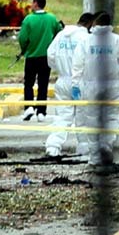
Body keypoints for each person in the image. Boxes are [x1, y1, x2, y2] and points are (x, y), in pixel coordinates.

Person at [70, 11, 119, 166]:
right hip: (113, 86)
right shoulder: (118, 40)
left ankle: (94, 156)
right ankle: (106, 146)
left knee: (91, 119)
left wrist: (75, 84)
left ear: (95, 23)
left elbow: (77, 63)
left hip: (91, 86)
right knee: (112, 117)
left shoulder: (86, 41)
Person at [45, 12, 93, 157]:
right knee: (82, 117)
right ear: (90, 25)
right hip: (81, 82)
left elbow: (50, 55)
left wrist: (61, 68)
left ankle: (53, 147)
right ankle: (84, 147)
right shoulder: (86, 38)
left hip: (63, 80)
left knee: (62, 116)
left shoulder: (61, 35)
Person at [18, 0, 61, 122]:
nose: (31, 5)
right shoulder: (52, 18)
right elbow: (59, 32)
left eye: (32, 2)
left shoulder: (28, 19)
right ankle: (41, 111)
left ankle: (29, 107)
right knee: (43, 84)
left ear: (36, 4)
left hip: (31, 56)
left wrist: (24, 49)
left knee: (29, 83)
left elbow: (22, 38)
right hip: (46, 57)